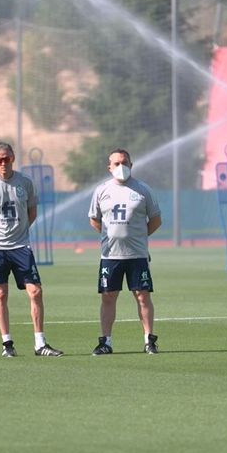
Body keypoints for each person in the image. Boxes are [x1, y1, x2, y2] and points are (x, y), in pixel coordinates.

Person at [0, 142, 64, 357]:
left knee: (36, 291)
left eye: (6, 158)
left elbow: (32, 213)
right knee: (1, 293)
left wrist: (19, 232)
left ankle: (40, 344)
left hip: (21, 246)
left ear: (13, 157)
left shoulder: (25, 182)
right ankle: (7, 344)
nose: (3, 163)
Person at [88, 148, 162, 355]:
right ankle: (106, 342)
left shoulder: (143, 190)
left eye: (125, 163)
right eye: (117, 163)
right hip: (110, 255)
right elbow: (94, 219)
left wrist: (139, 237)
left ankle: (149, 340)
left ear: (131, 165)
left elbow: (156, 220)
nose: (121, 167)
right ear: (109, 167)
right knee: (108, 297)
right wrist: (110, 235)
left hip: (137, 255)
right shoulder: (102, 190)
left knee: (142, 296)